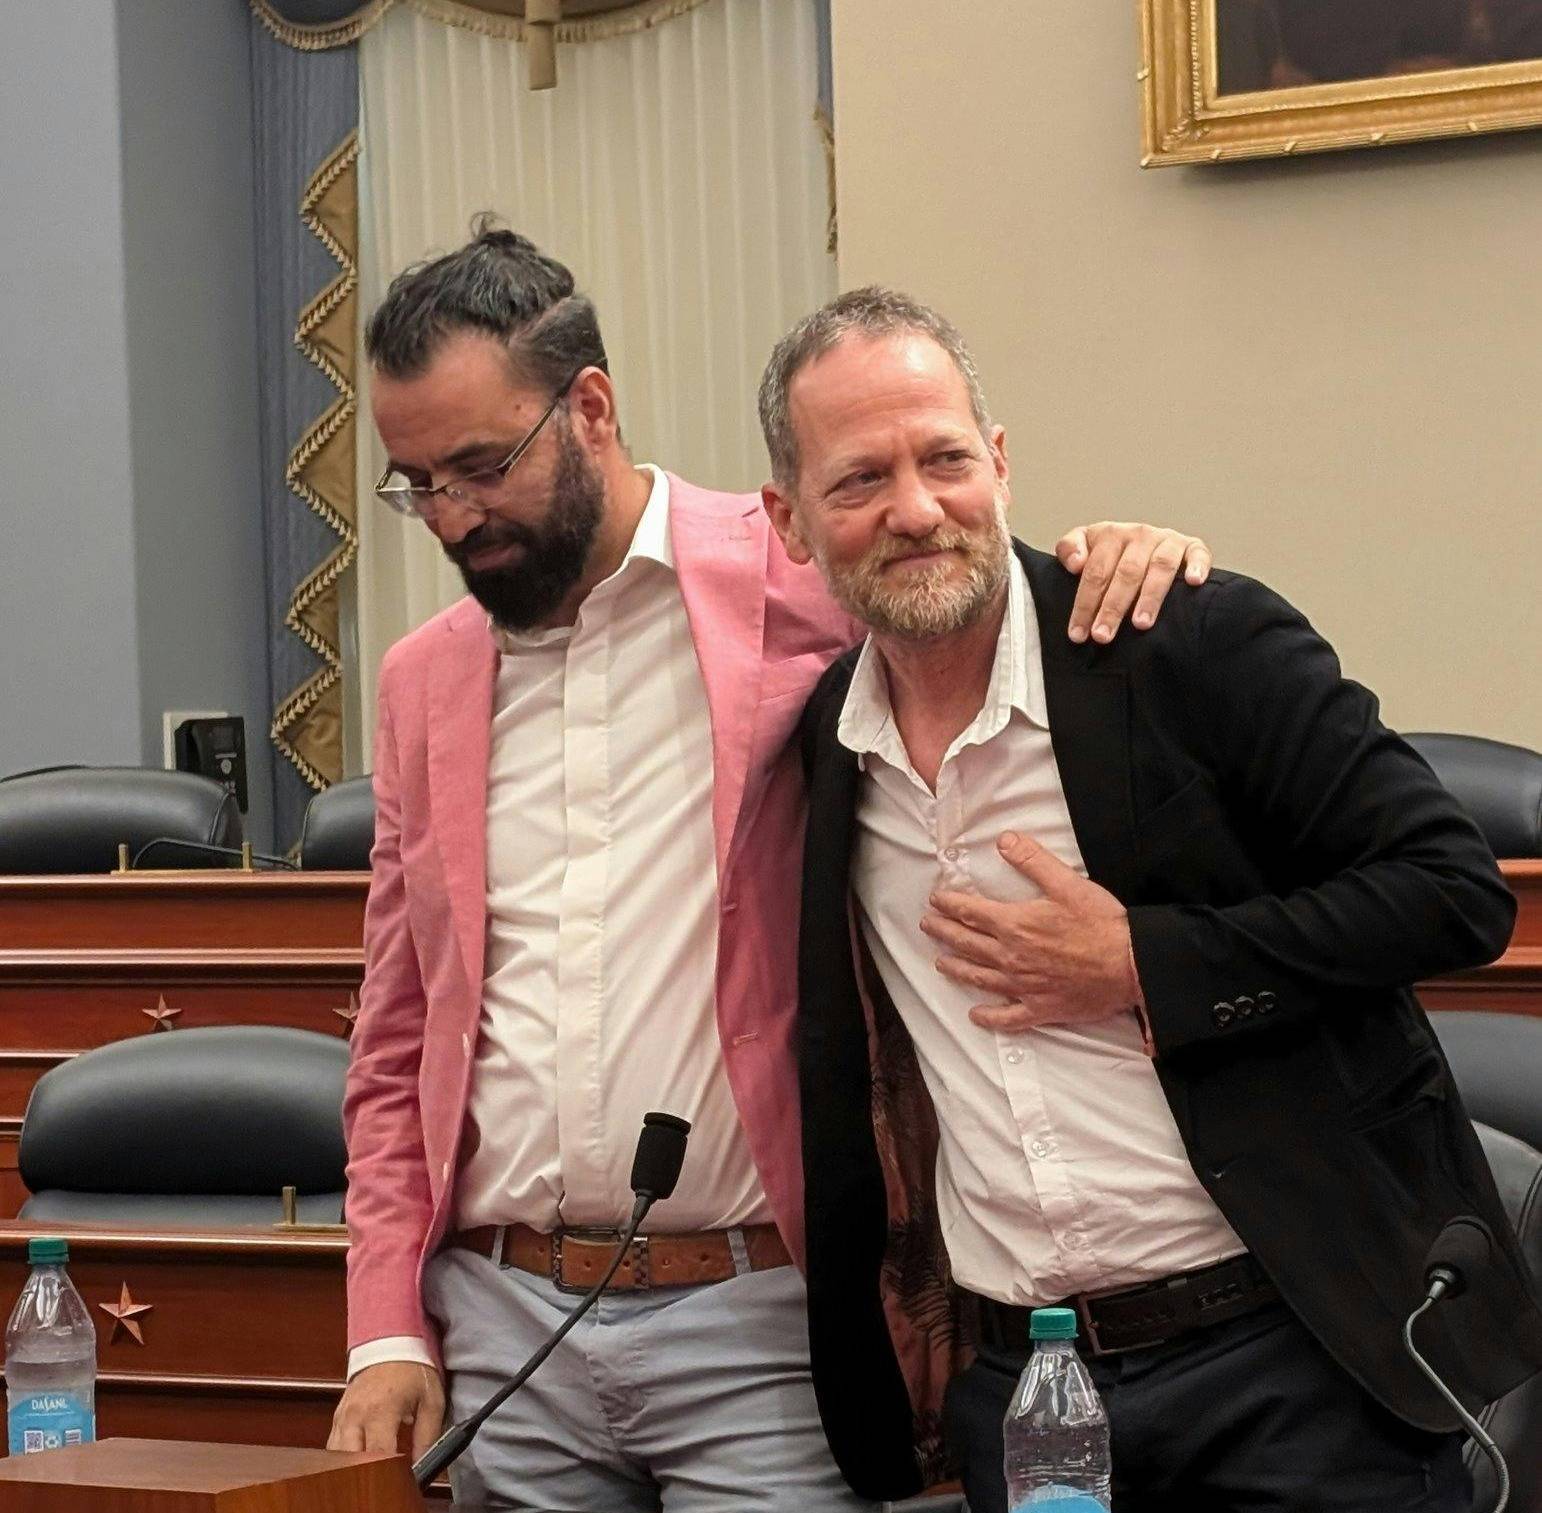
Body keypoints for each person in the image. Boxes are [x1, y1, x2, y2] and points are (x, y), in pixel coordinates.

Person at [324, 223, 1212, 1510]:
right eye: (418, 485)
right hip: (505, 1334)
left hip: (760, 1322)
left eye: (482, 466)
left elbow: (956, 567)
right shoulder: (424, 683)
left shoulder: (794, 565)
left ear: (591, 407)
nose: (456, 518)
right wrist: (387, 1326)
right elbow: (397, 1039)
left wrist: (1133, 551)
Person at [761, 285, 1542, 1512]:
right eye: (859, 481)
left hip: (1291, 1362)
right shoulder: (826, 749)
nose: (916, 510)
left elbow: (1453, 892)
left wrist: (1146, 964)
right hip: (1033, 1386)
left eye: (945, 458)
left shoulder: (1181, 642)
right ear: (790, 520)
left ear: (1002, 463)